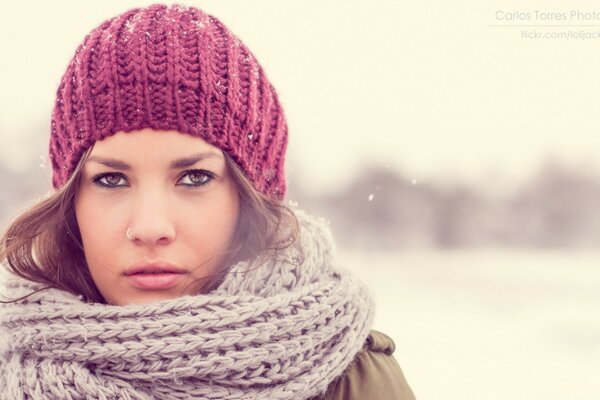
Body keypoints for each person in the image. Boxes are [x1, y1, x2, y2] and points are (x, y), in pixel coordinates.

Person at [0, 4, 415, 399]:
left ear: (250, 199)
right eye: (111, 179)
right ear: (71, 203)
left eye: (194, 178)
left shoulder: (350, 382)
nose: (149, 227)